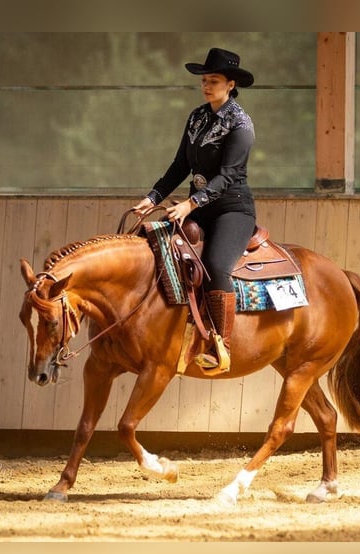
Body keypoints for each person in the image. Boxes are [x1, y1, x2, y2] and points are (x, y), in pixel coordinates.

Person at [132, 47, 257, 372]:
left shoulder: (241, 124)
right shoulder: (197, 117)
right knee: (159, 248)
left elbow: (229, 176)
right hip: (196, 208)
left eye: (213, 80)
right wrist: (154, 196)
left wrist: (190, 203)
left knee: (216, 264)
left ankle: (221, 346)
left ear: (230, 84)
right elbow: (180, 165)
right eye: (204, 80)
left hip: (232, 210)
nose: (206, 85)